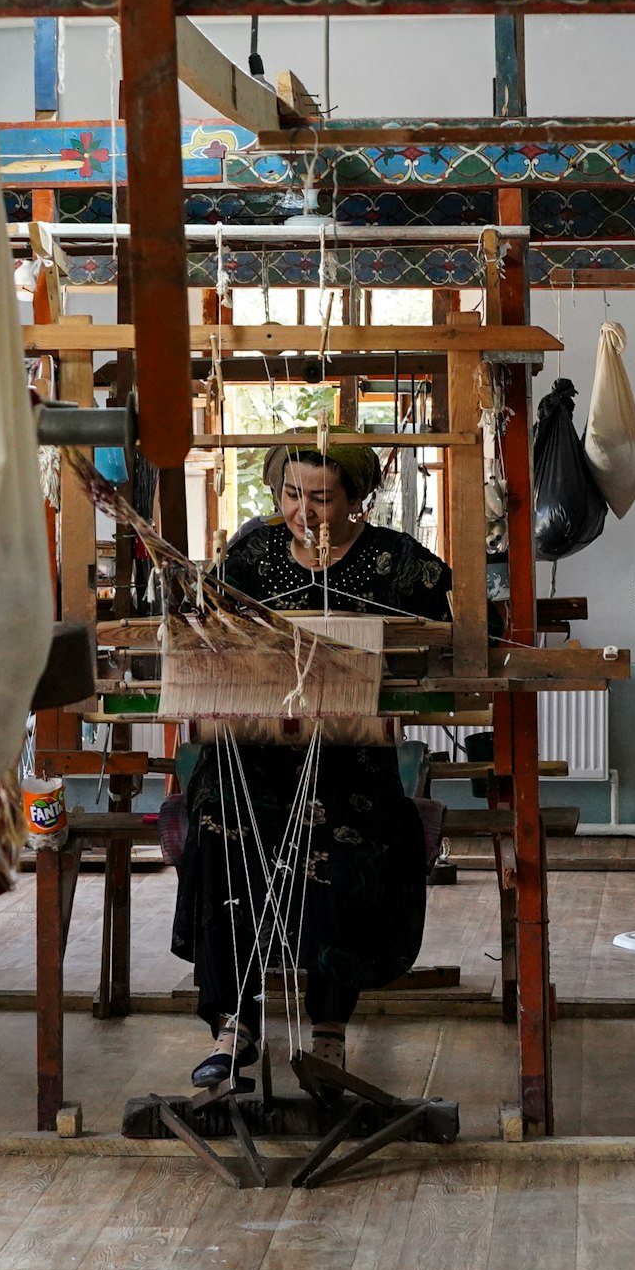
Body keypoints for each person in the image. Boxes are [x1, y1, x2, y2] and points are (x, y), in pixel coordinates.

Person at [169, 441, 453, 1087]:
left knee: (343, 846)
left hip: (348, 756)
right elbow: (205, 633)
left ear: (358, 499)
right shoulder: (249, 555)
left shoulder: (398, 566)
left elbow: (445, 642)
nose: (304, 512)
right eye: (292, 495)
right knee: (217, 831)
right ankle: (233, 1024)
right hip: (251, 753)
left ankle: (327, 1034)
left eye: (323, 498)